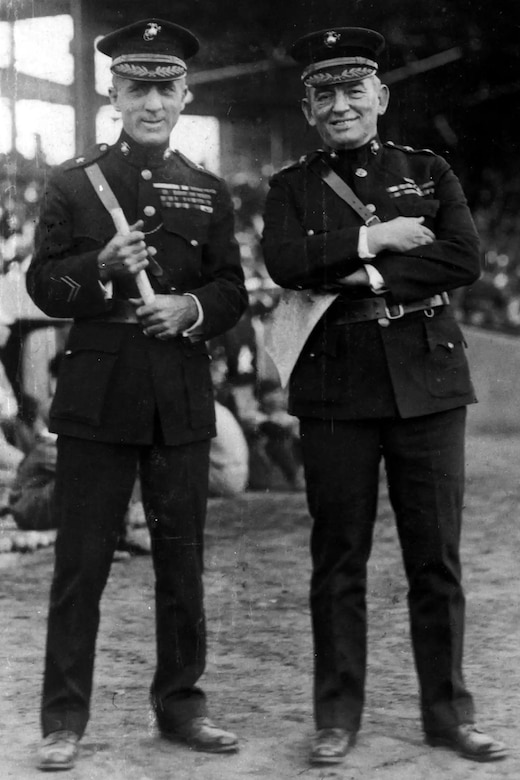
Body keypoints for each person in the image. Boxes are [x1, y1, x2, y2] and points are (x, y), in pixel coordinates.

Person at [262, 26, 507, 766]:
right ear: (309, 109)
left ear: (381, 96)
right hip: (335, 386)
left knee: (436, 559)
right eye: (324, 95)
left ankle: (448, 715)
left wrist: (351, 277)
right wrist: (377, 244)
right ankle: (336, 718)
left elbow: (460, 256)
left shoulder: (427, 170)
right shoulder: (291, 187)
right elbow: (284, 261)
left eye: (352, 90)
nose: (340, 106)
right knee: (339, 558)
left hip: (427, 381)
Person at [26, 18, 247, 772]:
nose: (151, 101)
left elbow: (231, 291)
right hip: (97, 390)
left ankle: (182, 707)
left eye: (164, 87)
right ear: (112, 93)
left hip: (178, 391)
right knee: (81, 563)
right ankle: (64, 721)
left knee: (182, 563)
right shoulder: (72, 181)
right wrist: (103, 266)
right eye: (136, 87)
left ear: (184, 94)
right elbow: (43, 286)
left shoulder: (208, 189)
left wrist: (189, 311)